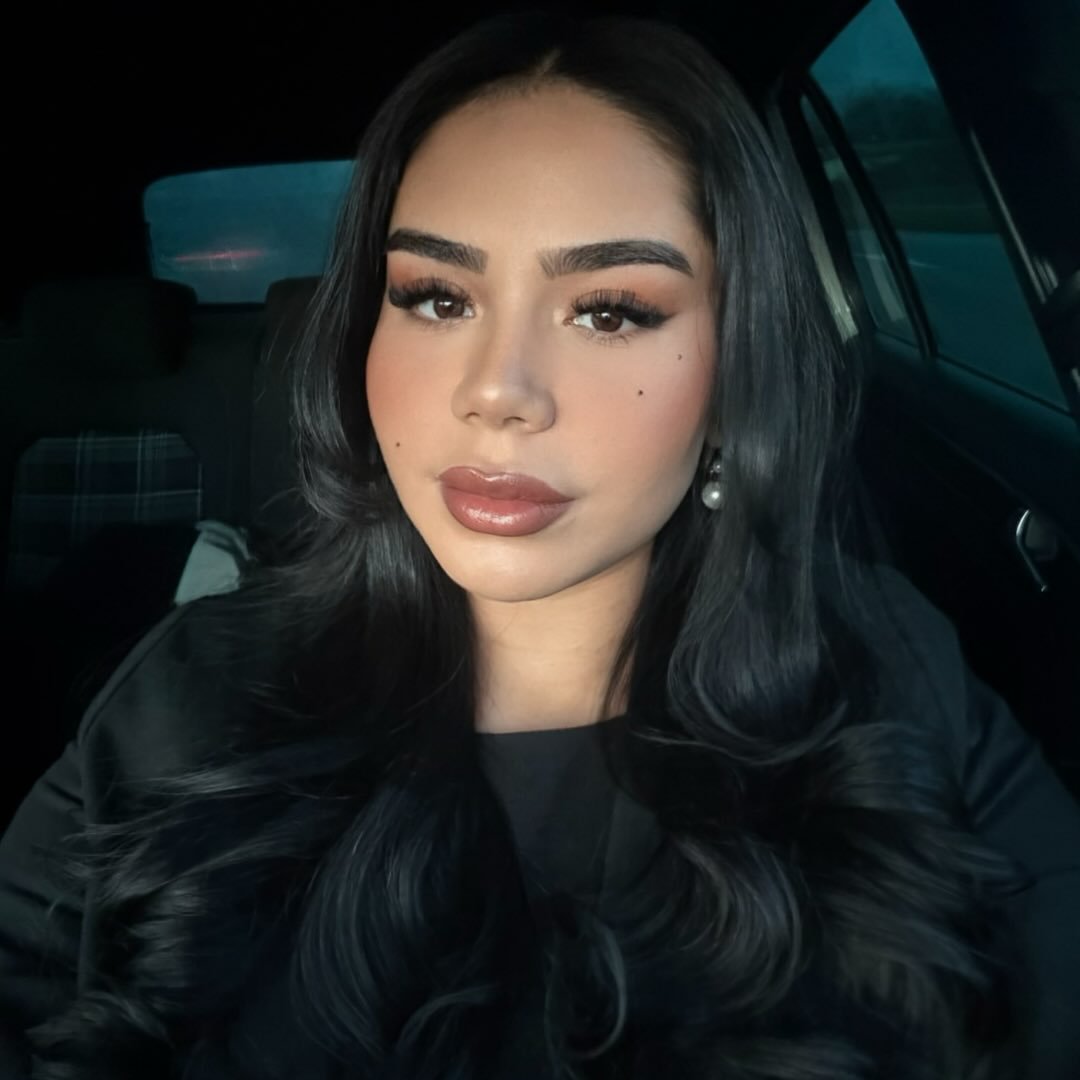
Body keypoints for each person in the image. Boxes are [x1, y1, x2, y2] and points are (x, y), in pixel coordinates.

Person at [2, 10, 1079, 1079]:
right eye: (435, 297)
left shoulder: (891, 678)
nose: (496, 391)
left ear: (734, 368)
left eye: (608, 311)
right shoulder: (186, 698)